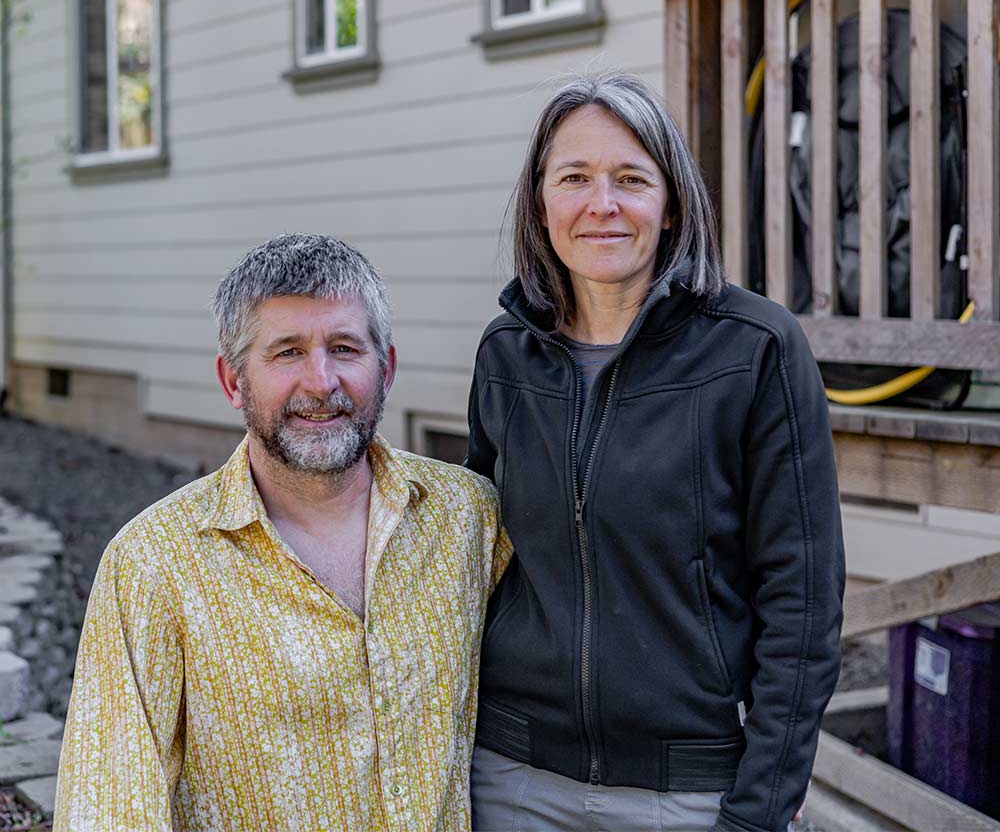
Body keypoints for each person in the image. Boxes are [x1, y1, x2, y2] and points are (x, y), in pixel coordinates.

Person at [466, 74, 845, 832]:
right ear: (541, 202)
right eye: (574, 177)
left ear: (670, 205)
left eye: (631, 179)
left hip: (689, 792)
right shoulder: (507, 353)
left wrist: (759, 810)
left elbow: (801, 604)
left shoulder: (755, 350)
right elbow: (476, 556)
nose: (601, 204)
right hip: (511, 779)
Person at [54, 233, 510, 832]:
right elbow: (109, 805)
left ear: (388, 367)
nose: (321, 383)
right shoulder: (152, 564)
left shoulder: (466, 519)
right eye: (287, 352)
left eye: (345, 348)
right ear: (233, 381)